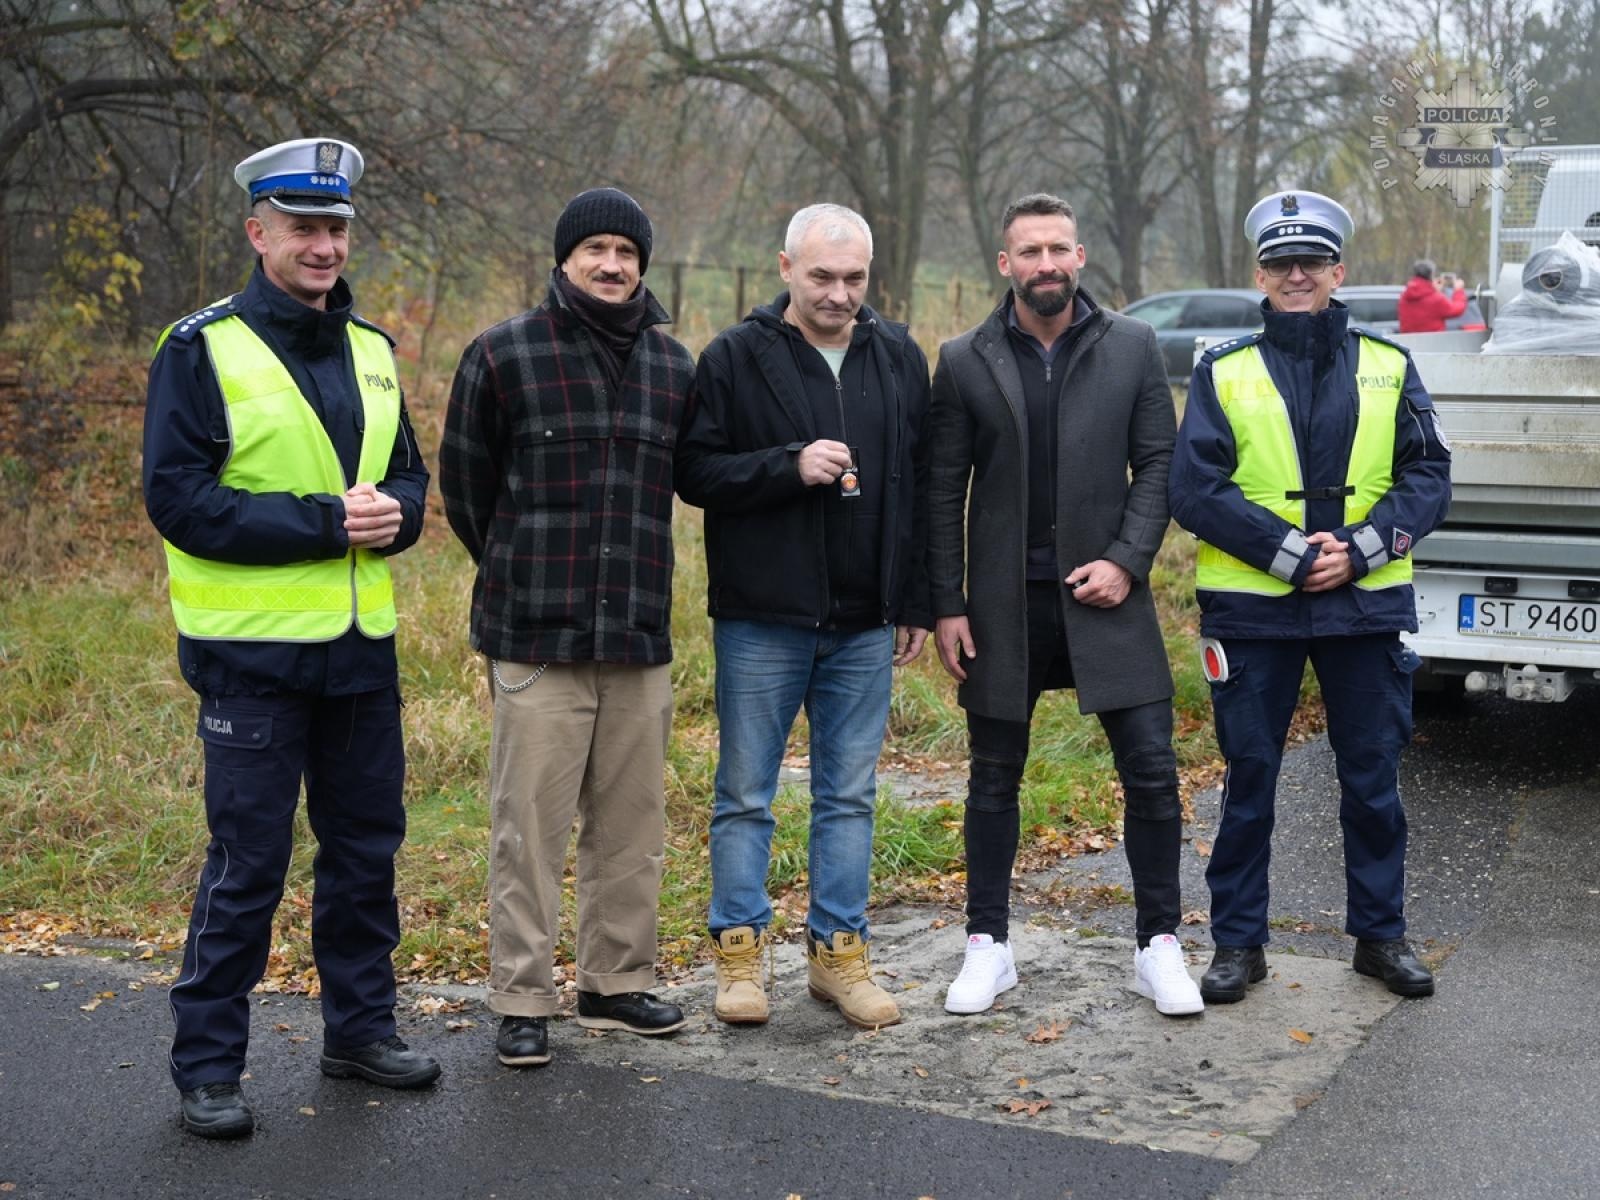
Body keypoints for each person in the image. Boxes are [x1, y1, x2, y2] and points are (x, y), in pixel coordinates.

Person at [143, 137, 438, 1140]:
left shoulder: (374, 350)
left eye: (337, 229)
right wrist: (326, 521)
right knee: (248, 867)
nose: (323, 246)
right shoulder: (200, 347)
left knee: (365, 857)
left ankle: (360, 1031)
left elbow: (407, 482)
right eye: (304, 228)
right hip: (251, 663)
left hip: (360, 657)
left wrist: (395, 513)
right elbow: (178, 501)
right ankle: (208, 1069)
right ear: (257, 231)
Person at [1168, 190, 1452, 1005]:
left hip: (1365, 610)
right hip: (1255, 612)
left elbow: (1429, 478)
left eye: (1312, 262)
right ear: (1261, 274)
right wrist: (1292, 556)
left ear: (1339, 271)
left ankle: (1381, 936)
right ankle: (1237, 944)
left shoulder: (1390, 365)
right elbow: (1196, 488)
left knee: (1371, 781)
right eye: (1282, 263)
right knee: (1249, 778)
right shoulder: (1223, 369)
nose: (1297, 276)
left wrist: (1362, 551)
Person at [925, 193, 1203, 1018]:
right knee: (992, 780)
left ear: (1079, 257)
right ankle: (989, 946)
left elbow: (1159, 465)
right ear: (1005, 264)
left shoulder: (1133, 346)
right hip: (1003, 608)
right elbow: (944, 490)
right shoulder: (964, 357)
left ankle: (1158, 944)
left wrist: (1127, 561)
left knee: (1152, 773)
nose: (1045, 264)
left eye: (1059, 249)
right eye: (1029, 252)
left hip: (1107, 597)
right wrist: (948, 601)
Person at [440, 187, 694, 1068]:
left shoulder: (673, 365)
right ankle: (522, 996)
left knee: (631, 824)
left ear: (643, 266)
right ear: (565, 259)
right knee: (529, 826)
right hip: (535, 639)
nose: (613, 265)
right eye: (596, 250)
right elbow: (468, 489)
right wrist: (518, 569)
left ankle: (614, 983)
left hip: (637, 636)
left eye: (628, 252)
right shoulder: (503, 353)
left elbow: (699, 475)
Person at [676, 203, 931, 1030]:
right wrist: (788, 466)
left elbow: (922, 487)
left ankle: (838, 958)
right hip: (762, 618)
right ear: (784, 269)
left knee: (848, 797)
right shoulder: (734, 357)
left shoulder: (896, 355)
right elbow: (696, 473)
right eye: (822, 276)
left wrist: (916, 598)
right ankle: (741, 956)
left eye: (854, 277)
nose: (839, 293)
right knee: (746, 793)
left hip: (864, 621)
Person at [1398, 259, 1468, 333]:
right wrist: (1458, 291)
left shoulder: (1404, 296)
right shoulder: (1436, 299)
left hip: (1407, 341)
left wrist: (1433, 290)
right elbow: (1456, 309)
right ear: (1431, 275)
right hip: (1431, 342)